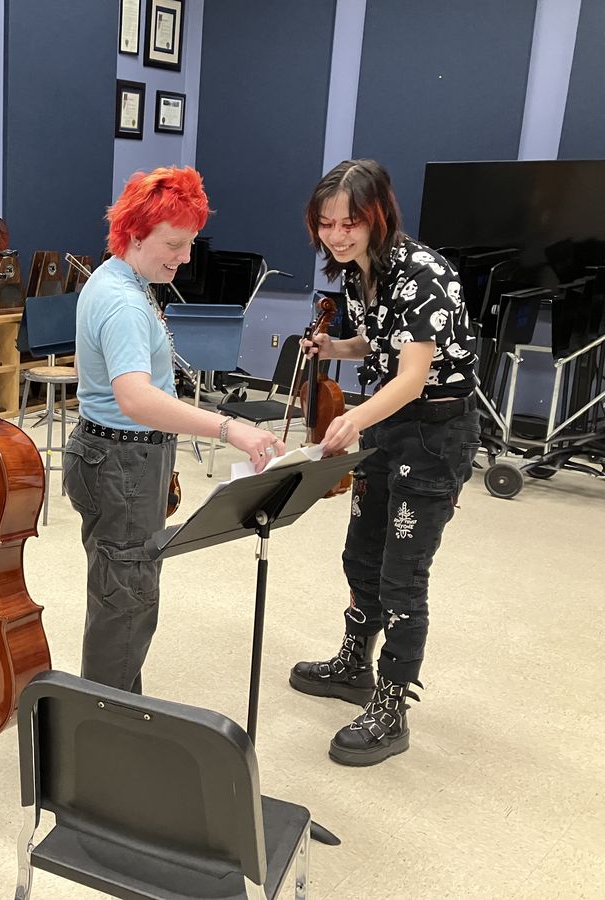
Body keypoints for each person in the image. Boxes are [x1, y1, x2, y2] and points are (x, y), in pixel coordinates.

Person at [64, 166, 285, 695]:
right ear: (135, 233)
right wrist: (230, 427)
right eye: (175, 243)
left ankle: (114, 709)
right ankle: (106, 727)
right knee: (127, 600)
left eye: (189, 244)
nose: (185, 258)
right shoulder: (121, 300)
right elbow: (136, 398)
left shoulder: (125, 280)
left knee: (124, 594)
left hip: (120, 459)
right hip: (122, 463)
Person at [289, 158, 479, 766]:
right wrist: (336, 346)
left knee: (403, 574)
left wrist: (353, 418)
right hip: (387, 426)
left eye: (351, 222)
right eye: (327, 223)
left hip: (433, 431)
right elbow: (380, 341)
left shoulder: (422, 272)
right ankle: (354, 666)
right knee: (361, 553)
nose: (338, 235)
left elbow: (415, 376)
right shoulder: (356, 273)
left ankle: (393, 705)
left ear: (377, 216)